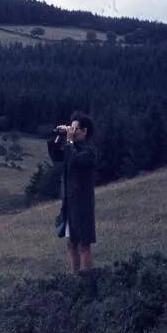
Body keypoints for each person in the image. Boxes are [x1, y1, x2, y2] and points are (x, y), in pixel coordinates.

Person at [48, 111, 98, 274]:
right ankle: (75, 277)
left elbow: (76, 161)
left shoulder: (89, 150)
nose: (73, 131)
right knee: (71, 243)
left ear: (85, 131)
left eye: (76, 129)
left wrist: (69, 142)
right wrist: (59, 136)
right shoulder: (73, 148)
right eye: (72, 128)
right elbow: (56, 156)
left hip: (82, 204)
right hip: (70, 203)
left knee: (84, 244)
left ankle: (87, 279)